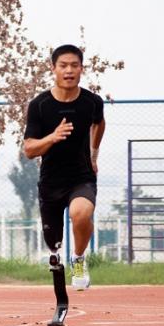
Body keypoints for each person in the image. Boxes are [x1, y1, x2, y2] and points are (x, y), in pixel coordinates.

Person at [23, 44, 105, 290]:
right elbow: (29, 149)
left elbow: (99, 124)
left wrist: (94, 154)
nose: (69, 70)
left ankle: (79, 258)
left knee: (80, 213)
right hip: (50, 181)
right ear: (53, 69)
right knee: (53, 243)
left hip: (81, 176)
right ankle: (61, 256)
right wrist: (52, 137)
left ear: (81, 68)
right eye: (63, 66)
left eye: (74, 65)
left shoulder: (92, 102)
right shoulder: (40, 105)